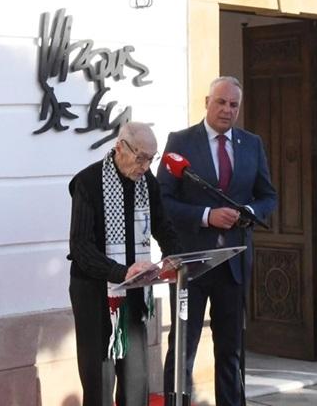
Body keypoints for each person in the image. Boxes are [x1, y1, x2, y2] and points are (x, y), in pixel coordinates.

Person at [157, 76, 277, 406]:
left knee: (232, 351)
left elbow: (268, 196)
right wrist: (207, 215)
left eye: (233, 105)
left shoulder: (251, 144)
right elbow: (162, 200)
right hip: (191, 266)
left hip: (234, 265)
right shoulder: (180, 142)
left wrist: (247, 211)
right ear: (207, 101)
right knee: (183, 348)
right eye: (221, 102)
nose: (227, 110)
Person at [68, 122, 181, 406]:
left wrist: (175, 256)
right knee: (100, 382)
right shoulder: (88, 182)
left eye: (150, 159)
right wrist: (120, 272)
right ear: (120, 147)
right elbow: (80, 246)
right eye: (140, 157)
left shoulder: (147, 183)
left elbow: (163, 226)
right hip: (94, 293)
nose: (144, 166)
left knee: (136, 380)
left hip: (133, 293)